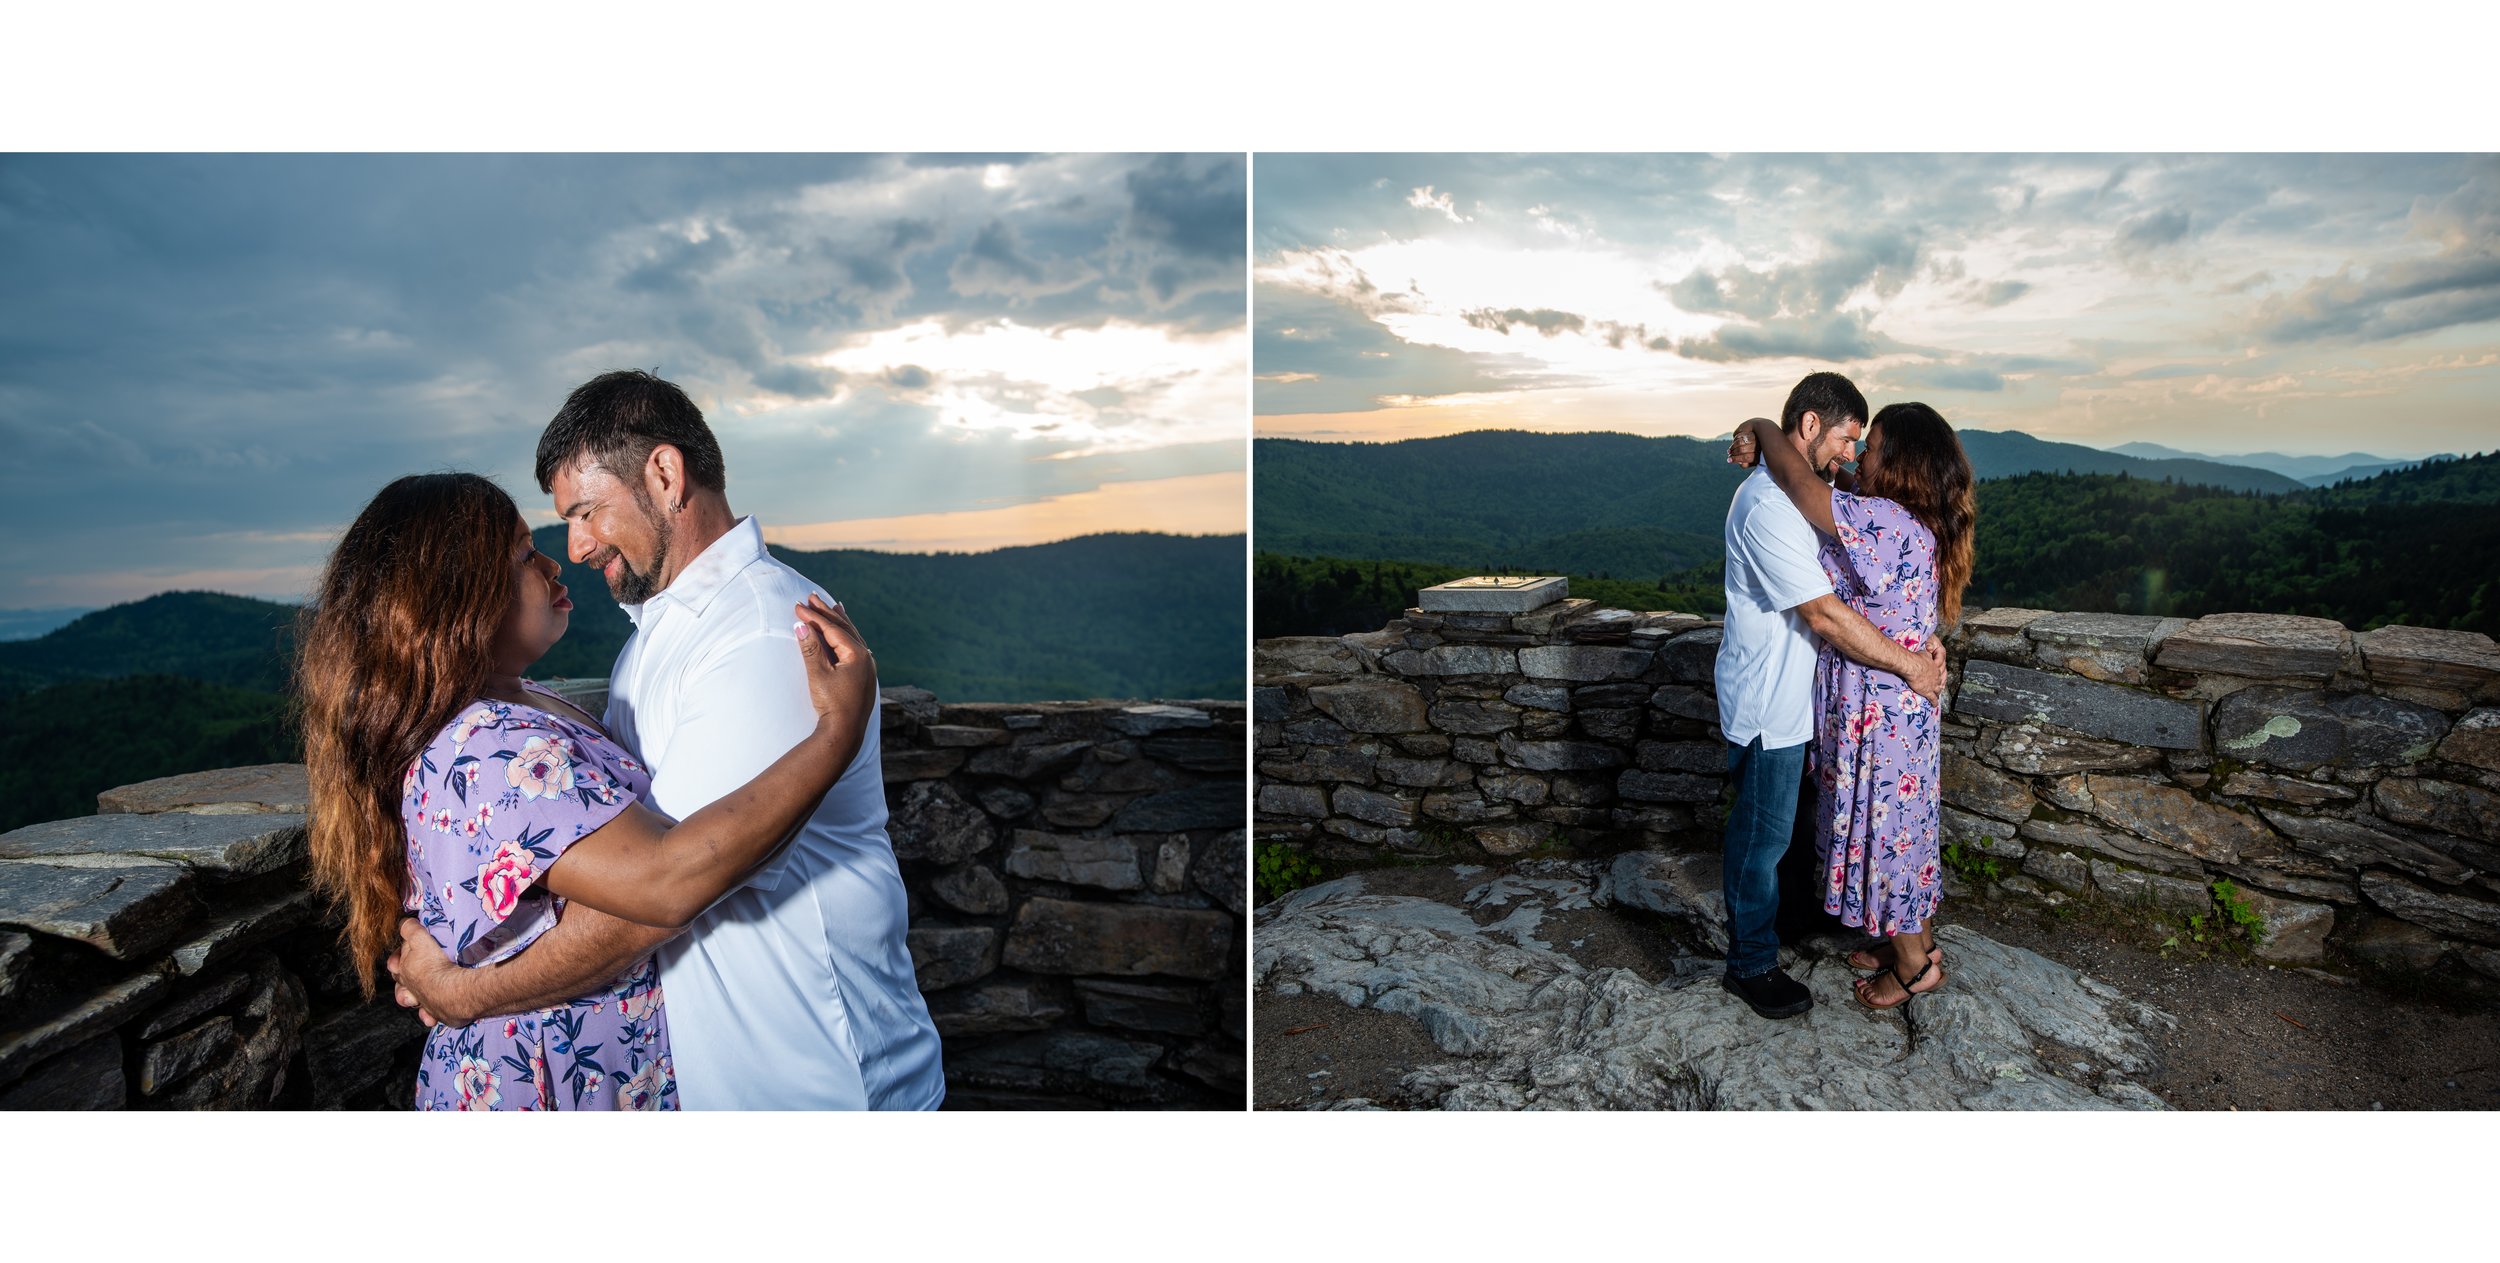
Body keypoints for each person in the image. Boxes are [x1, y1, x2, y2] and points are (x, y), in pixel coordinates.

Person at [386, 370, 947, 1110]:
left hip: (819, 1081)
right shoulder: (654, 639)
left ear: (664, 473)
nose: (577, 547)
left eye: (585, 512)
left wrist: (458, 988)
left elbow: (651, 896)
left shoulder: (761, 634)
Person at [298, 471, 878, 1110]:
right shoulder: (490, 744)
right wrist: (835, 733)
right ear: (458, 597)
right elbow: (661, 883)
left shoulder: (520, 706)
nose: (556, 559)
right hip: (554, 1078)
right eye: (523, 555)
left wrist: (453, 984)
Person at [1714, 372, 1947, 1021]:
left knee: (1800, 833)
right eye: (1848, 438)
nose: (1852, 454)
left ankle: (1793, 932)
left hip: (1807, 703)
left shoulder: (1817, 502)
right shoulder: (1768, 506)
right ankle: (1752, 963)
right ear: (1812, 426)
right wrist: (1913, 664)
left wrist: (1760, 427)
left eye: (1864, 444)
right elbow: (1823, 613)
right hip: (1769, 701)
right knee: (1760, 840)